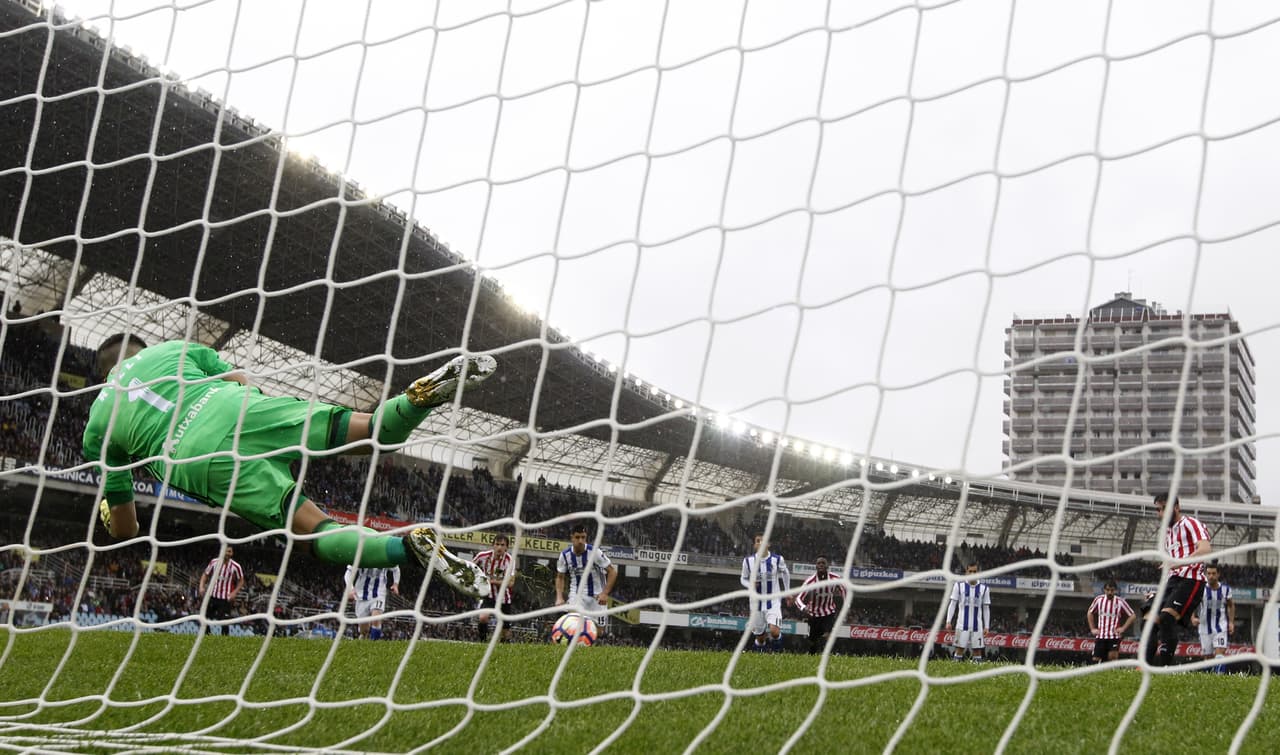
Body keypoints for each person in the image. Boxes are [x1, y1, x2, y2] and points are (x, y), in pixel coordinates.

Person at [83, 335, 493, 598]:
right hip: (237, 407)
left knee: (315, 531)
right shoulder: (170, 350)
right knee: (372, 432)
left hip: (198, 456)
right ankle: (417, 398)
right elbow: (238, 379)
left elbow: (126, 528)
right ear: (140, 350)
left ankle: (408, 547)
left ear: (103, 375)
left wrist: (108, 514)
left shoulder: (97, 425)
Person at [1152, 491, 1211, 667]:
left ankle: (1164, 668)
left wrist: (1178, 563)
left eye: (1164, 508)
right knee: (1150, 619)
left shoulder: (1191, 523)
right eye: (1158, 510)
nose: (1161, 513)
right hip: (1173, 581)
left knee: (1166, 618)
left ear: (1176, 507)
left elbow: (1205, 549)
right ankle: (1145, 666)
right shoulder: (1166, 533)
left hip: (1191, 579)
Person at [554, 524, 617, 624]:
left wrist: (605, 593)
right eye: (577, 537)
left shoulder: (595, 552)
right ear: (572, 537)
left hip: (597, 597)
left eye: (583, 537)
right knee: (573, 624)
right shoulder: (565, 555)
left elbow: (612, 571)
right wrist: (559, 597)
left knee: (598, 631)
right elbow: (560, 577)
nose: (580, 541)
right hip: (576, 595)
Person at [740, 532, 790, 653]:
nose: (760, 543)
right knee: (760, 638)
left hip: (773, 601)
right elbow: (743, 578)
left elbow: (785, 573)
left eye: (763, 540)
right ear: (755, 545)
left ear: (768, 544)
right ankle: (759, 655)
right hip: (756, 604)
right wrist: (749, 585)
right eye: (758, 541)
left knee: (774, 631)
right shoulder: (748, 561)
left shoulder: (777, 559)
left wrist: (787, 591)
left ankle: (777, 655)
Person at [794, 556, 847, 655]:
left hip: (828, 612)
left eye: (823, 563)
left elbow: (844, 590)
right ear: (816, 566)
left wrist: (846, 605)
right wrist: (804, 608)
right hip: (814, 614)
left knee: (828, 633)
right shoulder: (810, 581)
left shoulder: (835, 578)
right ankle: (812, 653)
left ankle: (828, 653)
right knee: (813, 640)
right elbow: (798, 598)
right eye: (819, 563)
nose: (821, 565)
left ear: (827, 565)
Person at [1192, 563, 1234, 673]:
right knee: (1208, 659)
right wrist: (1192, 618)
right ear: (1206, 574)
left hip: (1221, 627)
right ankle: (1209, 679)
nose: (1211, 576)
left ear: (1218, 574)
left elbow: (1231, 605)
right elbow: (1193, 603)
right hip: (1204, 627)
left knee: (1220, 655)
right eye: (1209, 573)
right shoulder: (1201, 589)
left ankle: (1219, 678)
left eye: (1213, 573)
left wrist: (1231, 622)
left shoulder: (1226, 589)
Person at [472, 534, 516, 643]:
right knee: (483, 617)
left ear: (506, 547)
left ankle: (504, 646)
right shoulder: (482, 556)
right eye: (497, 544)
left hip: (504, 598)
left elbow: (511, 583)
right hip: (488, 595)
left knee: (505, 629)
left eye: (502, 545)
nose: (499, 547)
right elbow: (470, 568)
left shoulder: (510, 560)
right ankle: (482, 642)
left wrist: (492, 581)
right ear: (493, 545)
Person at [944, 563, 990, 662]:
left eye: (975, 571)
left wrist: (987, 626)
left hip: (977, 626)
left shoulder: (984, 588)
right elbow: (952, 604)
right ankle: (955, 669)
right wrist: (948, 621)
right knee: (959, 649)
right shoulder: (958, 585)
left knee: (977, 651)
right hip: (961, 624)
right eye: (970, 571)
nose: (972, 574)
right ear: (966, 572)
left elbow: (986, 608)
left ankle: (976, 670)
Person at [198, 544, 244, 635]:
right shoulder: (214, 562)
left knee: (224, 621)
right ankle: (207, 635)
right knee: (204, 616)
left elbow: (241, 581)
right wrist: (201, 587)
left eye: (229, 551)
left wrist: (234, 592)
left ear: (232, 553)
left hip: (225, 598)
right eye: (226, 551)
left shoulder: (236, 566)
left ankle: (224, 639)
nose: (227, 553)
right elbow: (205, 574)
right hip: (212, 595)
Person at [344, 564, 400, 640]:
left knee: (376, 618)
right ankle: (363, 639)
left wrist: (395, 584)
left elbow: (396, 569)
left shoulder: (385, 558)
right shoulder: (360, 557)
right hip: (361, 595)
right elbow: (348, 573)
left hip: (378, 594)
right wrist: (351, 589)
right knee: (364, 631)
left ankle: (374, 643)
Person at [1086, 579, 1135, 663]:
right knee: (1095, 660)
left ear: (1115, 590)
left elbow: (1132, 615)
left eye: (1112, 590)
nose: (1109, 592)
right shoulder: (1099, 599)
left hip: (1114, 636)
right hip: (1101, 636)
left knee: (1112, 658)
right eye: (1107, 590)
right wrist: (1092, 628)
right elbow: (1090, 612)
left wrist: (1123, 628)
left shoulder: (1120, 601)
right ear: (1104, 590)